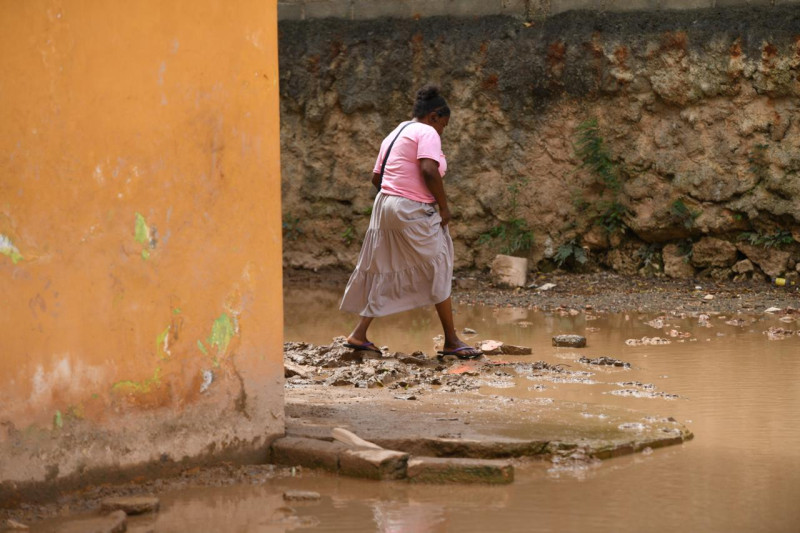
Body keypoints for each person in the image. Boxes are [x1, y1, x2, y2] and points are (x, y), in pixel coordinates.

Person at [339, 85, 482, 359]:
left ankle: (359, 334)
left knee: (386, 265)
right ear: (435, 116)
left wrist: (397, 195)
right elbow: (429, 170)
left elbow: (376, 178)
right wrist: (443, 206)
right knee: (440, 261)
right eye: (443, 125)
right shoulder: (427, 132)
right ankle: (451, 341)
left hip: (384, 207)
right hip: (409, 207)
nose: (442, 131)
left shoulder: (396, 132)